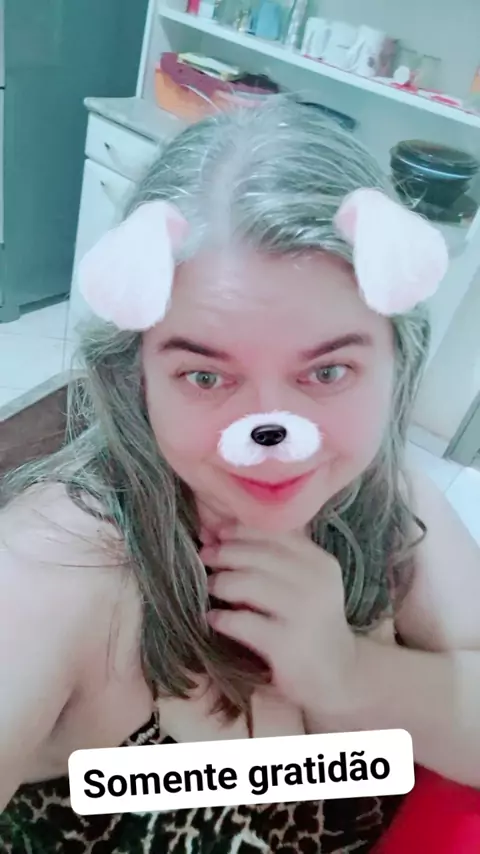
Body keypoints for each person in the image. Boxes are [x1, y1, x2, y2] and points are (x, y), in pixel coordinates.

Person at [1, 98, 479, 854]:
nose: (272, 436)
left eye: (328, 371)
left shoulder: (391, 502)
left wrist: (351, 675)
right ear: (137, 377)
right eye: (205, 376)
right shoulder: (58, 568)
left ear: (396, 361)